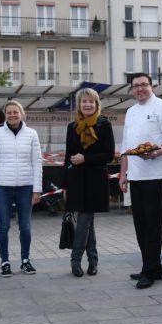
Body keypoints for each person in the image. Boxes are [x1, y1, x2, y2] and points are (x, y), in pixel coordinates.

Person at [119, 73, 162, 289]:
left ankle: (149, 270)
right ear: (131, 90)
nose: (140, 89)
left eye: (143, 85)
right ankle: (154, 267)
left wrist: (156, 153)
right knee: (140, 225)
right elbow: (126, 145)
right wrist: (123, 173)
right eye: (135, 86)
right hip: (135, 176)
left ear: (151, 86)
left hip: (155, 175)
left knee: (153, 225)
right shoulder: (131, 111)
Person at [63, 88, 115, 277]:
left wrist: (86, 158)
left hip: (95, 181)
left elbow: (109, 155)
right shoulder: (71, 126)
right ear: (79, 104)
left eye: (91, 101)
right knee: (88, 221)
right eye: (84, 101)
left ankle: (75, 260)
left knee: (84, 219)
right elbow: (68, 157)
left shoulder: (104, 125)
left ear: (97, 104)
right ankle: (93, 261)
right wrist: (65, 185)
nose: (88, 104)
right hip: (76, 180)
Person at [0, 100, 42, 276]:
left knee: (25, 226)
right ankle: (5, 262)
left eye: (15, 112)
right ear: (5, 114)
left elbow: (37, 162)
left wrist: (37, 189)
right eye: (9, 112)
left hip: (26, 187)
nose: (12, 115)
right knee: (3, 225)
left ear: (21, 113)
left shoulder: (32, 134)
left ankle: (25, 260)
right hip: (2, 186)